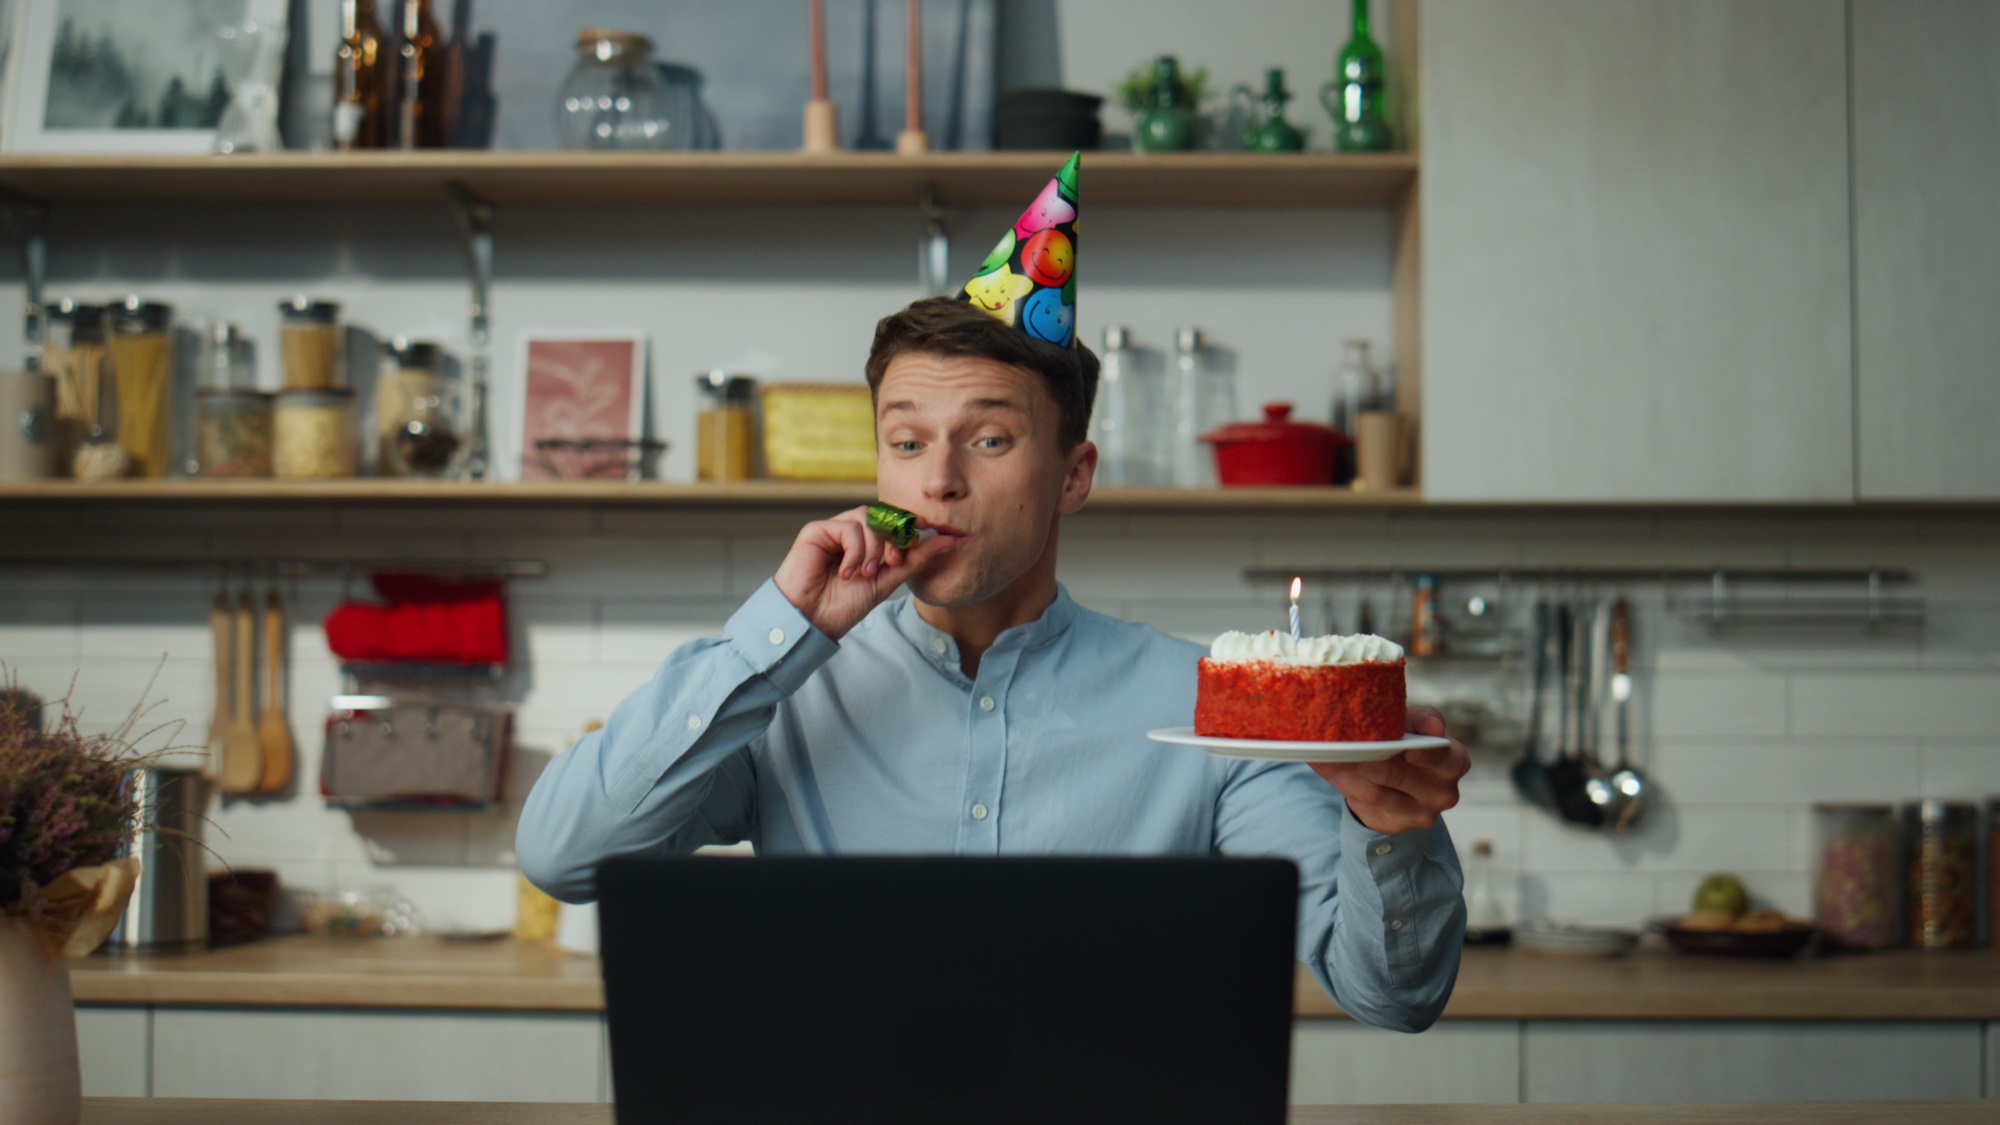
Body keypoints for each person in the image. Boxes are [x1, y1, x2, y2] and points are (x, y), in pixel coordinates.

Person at [517, 154, 1470, 1033]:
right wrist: (784, 633)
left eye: (990, 439)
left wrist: (1389, 828)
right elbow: (565, 855)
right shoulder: (780, 690)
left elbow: (1393, 996)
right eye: (906, 441)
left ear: (1073, 474)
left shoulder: (1216, 710)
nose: (937, 481)